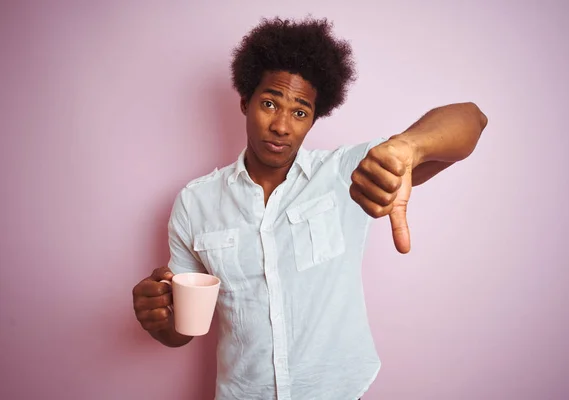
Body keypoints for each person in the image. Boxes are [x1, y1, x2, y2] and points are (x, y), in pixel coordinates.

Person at [132, 16, 487, 400]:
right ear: (245, 101)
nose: (282, 126)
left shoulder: (350, 173)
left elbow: (472, 118)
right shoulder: (195, 202)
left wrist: (407, 148)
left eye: (300, 112)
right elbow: (182, 331)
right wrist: (158, 319)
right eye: (269, 103)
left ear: (313, 119)